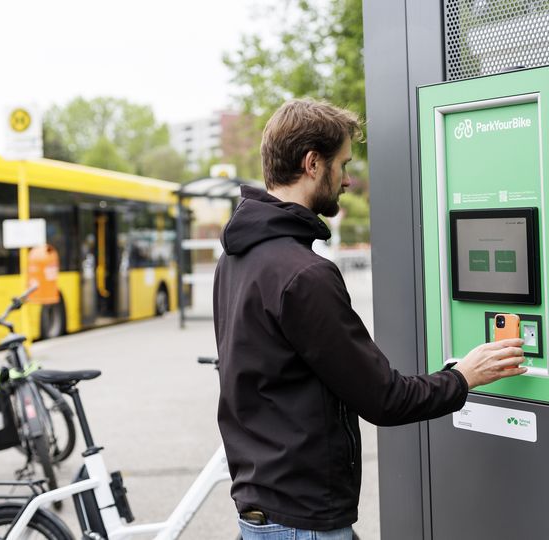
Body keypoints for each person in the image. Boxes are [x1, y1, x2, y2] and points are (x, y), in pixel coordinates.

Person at [213, 99, 526, 540]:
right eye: (342, 165)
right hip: (304, 522)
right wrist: (464, 377)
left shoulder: (236, 259)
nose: (347, 180)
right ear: (312, 163)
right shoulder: (305, 275)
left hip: (264, 509)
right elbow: (384, 398)